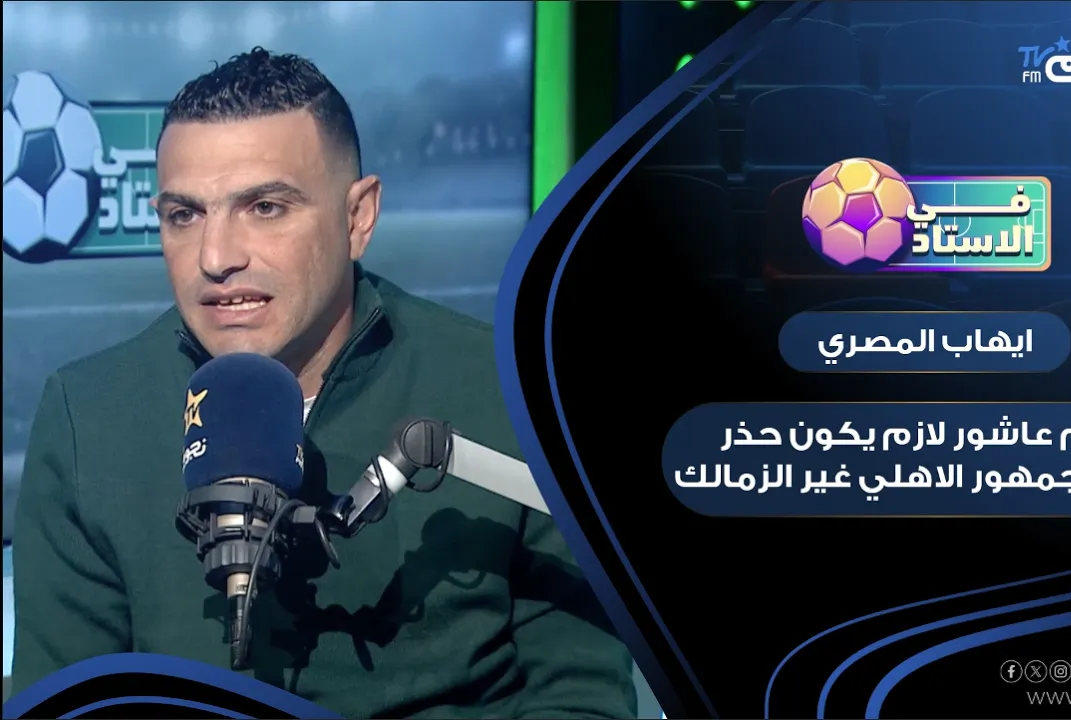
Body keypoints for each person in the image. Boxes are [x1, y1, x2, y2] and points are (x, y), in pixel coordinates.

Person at [11, 48, 637, 719]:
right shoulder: (87, 416)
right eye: (184, 215)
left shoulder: (510, 390)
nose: (216, 258)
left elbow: (580, 699)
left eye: (265, 207)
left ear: (358, 217)